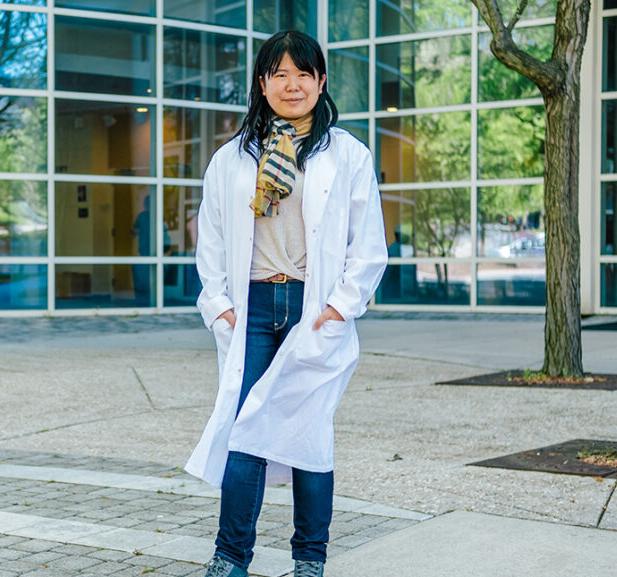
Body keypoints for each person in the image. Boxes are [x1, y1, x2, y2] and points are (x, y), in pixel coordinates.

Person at [186, 30, 388, 577]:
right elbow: (211, 243)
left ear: (321, 82)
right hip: (250, 309)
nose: (292, 84)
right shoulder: (232, 159)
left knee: (308, 433)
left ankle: (309, 561)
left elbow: (367, 249)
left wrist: (339, 309)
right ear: (262, 83)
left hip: (311, 308)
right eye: (280, 74)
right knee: (244, 428)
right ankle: (230, 559)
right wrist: (220, 306)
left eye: (304, 73)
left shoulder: (346, 154)